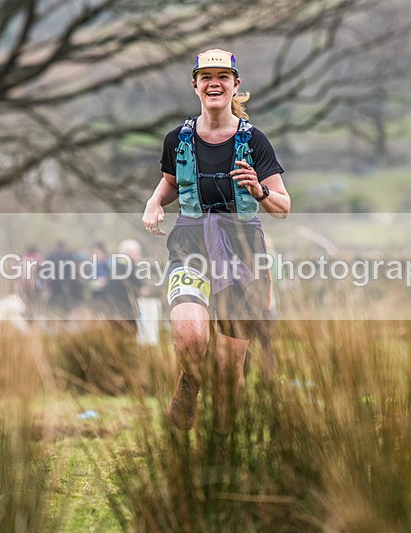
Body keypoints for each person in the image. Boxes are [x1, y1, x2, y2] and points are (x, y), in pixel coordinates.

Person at [142, 49, 291, 448]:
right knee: (191, 338)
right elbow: (172, 182)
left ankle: (221, 450)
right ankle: (190, 380)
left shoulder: (254, 140)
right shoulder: (178, 139)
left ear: (235, 85)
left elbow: (283, 206)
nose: (214, 83)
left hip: (244, 251)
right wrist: (155, 202)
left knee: (228, 373)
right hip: (190, 244)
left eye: (222, 76)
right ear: (195, 85)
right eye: (205, 76)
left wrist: (258, 190)